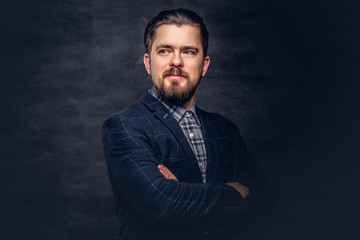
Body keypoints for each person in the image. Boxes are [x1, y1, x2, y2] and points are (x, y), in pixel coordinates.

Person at [102, 8, 273, 240]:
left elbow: (264, 203)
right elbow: (163, 203)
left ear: (204, 65)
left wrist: (183, 192)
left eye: (189, 51)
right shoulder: (124, 126)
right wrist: (231, 193)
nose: (176, 61)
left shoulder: (226, 130)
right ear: (148, 63)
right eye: (164, 50)